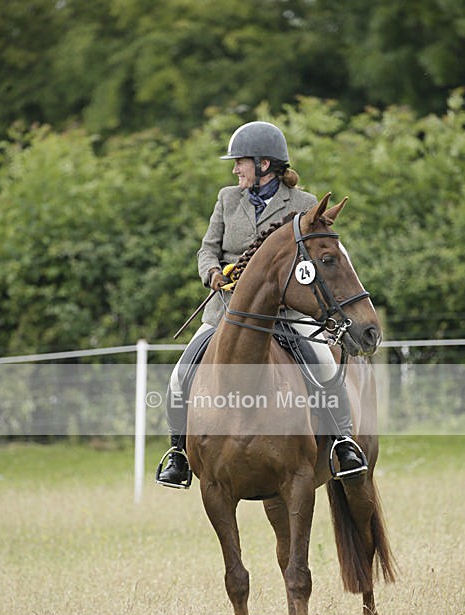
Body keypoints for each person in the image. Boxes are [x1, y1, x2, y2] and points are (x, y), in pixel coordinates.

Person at [156, 121, 367, 488]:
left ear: (264, 164)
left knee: (325, 369)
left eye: (241, 162)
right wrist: (212, 273)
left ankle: (343, 443)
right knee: (180, 375)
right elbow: (208, 248)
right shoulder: (228, 199)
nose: (235, 168)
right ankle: (179, 453)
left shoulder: (302, 205)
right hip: (227, 312)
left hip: (287, 313)